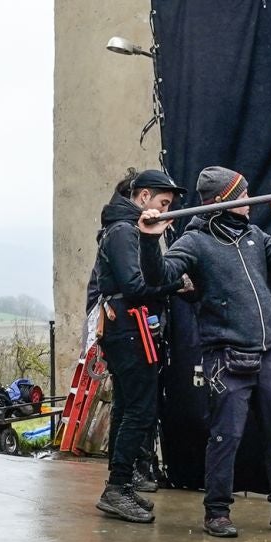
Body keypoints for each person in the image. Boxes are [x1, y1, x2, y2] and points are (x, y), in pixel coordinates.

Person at [142, 166, 271, 539]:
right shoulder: (195, 242)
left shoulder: (254, 236)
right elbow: (159, 277)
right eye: (243, 194)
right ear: (222, 201)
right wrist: (149, 241)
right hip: (225, 357)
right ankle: (217, 512)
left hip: (268, 354)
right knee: (226, 437)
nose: (250, 200)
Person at [87, 168, 188, 523]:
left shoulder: (123, 228)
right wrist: (176, 284)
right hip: (129, 330)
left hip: (126, 329)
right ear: (143, 197)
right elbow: (134, 285)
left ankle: (122, 485)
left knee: (126, 408)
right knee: (139, 410)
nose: (166, 210)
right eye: (164, 202)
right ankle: (117, 488)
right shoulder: (124, 231)